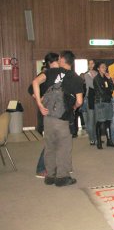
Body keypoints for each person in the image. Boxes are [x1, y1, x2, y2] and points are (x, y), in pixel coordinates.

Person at [32, 50, 83, 186]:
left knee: (49, 146)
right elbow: (79, 101)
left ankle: (50, 176)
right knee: (63, 147)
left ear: (61, 59)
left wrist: (39, 104)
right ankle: (62, 177)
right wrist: (72, 108)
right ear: (72, 62)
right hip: (63, 118)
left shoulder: (50, 72)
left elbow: (35, 82)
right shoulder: (76, 78)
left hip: (48, 116)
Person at [30, 53, 59, 178]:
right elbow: (32, 87)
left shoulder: (58, 74)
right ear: (53, 62)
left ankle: (52, 166)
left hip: (55, 111)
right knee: (50, 141)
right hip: (47, 111)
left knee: (57, 140)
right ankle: (41, 168)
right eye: (58, 60)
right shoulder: (46, 74)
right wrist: (40, 101)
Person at [93, 62, 114, 149]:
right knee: (100, 122)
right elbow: (101, 91)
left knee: (108, 122)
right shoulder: (96, 79)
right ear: (98, 69)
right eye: (102, 67)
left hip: (108, 101)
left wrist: (110, 79)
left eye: (105, 67)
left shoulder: (106, 78)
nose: (104, 68)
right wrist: (108, 90)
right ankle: (99, 141)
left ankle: (109, 141)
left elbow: (112, 88)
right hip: (100, 102)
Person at [82, 59, 98, 145]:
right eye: (89, 63)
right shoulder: (86, 75)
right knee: (90, 120)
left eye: (92, 63)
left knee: (96, 120)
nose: (91, 65)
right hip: (89, 98)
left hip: (98, 99)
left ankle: (95, 137)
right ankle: (92, 138)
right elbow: (93, 85)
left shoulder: (97, 73)